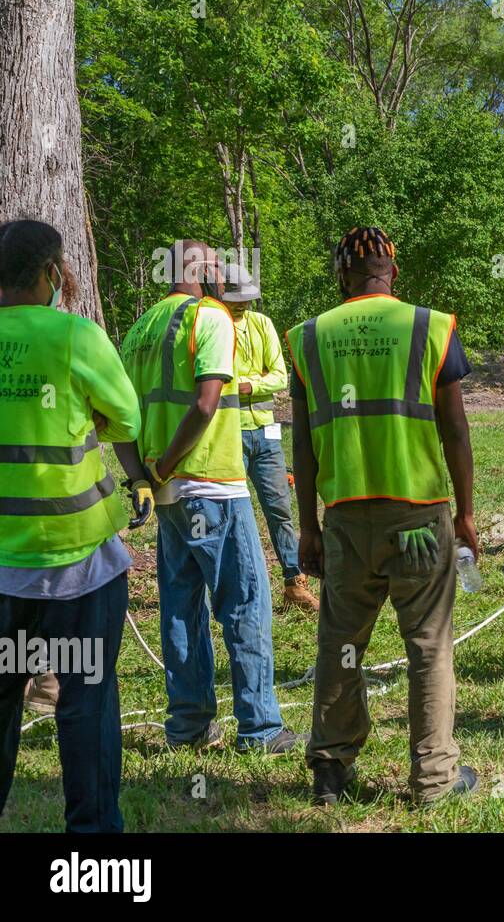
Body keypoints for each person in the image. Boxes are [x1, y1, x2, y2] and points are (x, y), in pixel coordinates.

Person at [287, 226, 479, 805]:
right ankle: (434, 780)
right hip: (420, 516)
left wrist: (308, 524)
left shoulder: (308, 337)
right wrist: (467, 514)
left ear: (343, 274)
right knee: (428, 646)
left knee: (342, 644)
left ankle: (330, 771)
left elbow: (302, 443)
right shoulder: (430, 326)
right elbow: (455, 429)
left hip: (345, 518)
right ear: (392, 271)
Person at [119, 239, 302, 753]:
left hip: (169, 496)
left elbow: (115, 419)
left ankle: (188, 726)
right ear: (200, 269)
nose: (224, 274)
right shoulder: (211, 318)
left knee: (180, 608)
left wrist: (144, 477)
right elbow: (205, 404)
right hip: (213, 485)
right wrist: (168, 464)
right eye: (217, 265)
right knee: (244, 602)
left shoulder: (139, 329)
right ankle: (261, 729)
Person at [0, 219, 141, 832]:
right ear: (53, 273)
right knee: (85, 707)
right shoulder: (75, 337)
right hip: (76, 567)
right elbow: (127, 418)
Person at [221, 262, 318, 614]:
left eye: (247, 298)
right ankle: (239, 588)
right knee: (233, 516)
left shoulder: (263, 325)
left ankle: (294, 581)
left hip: (266, 432)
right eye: (236, 298)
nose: (242, 304)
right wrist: (244, 381)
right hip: (227, 434)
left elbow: (279, 376)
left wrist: (250, 383)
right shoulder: (214, 326)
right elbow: (214, 381)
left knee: (279, 509)